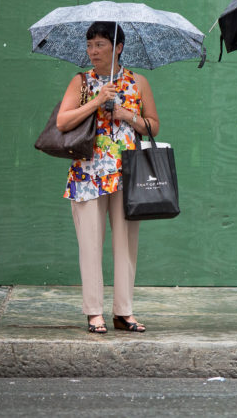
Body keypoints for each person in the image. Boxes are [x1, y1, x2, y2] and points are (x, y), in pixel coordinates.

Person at [55, 21, 159, 334]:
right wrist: (97, 102)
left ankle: (123, 312)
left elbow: (153, 126)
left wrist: (127, 115)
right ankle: (94, 313)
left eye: (100, 44)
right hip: (87, 174)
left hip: (127, 173)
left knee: (126, 243)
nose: (93, 51)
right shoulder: (81, 82)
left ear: (118, 47)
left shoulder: (137, 82)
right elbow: (62, 122)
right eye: (90, 45)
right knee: (90, 244)